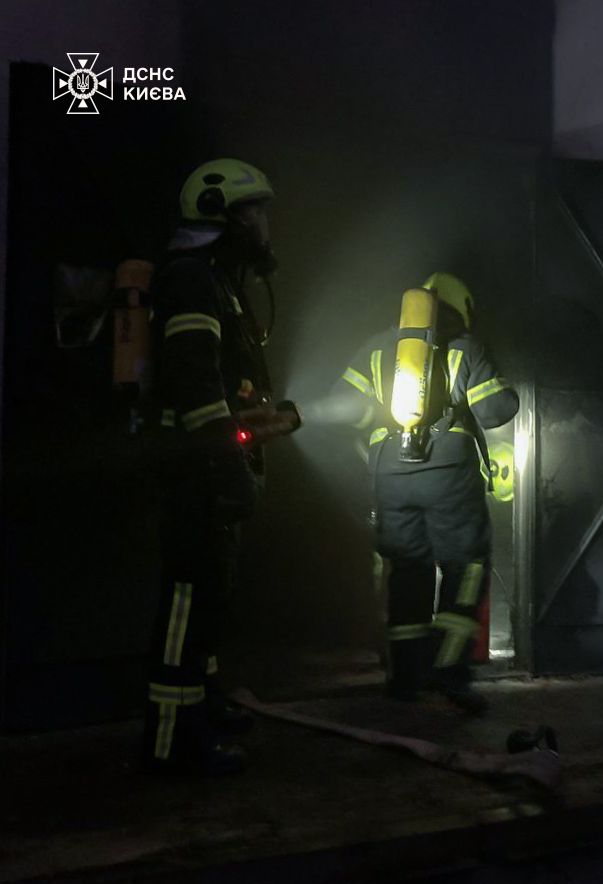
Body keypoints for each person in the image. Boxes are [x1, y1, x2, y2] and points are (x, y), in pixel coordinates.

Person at [143, 158, 300, 775]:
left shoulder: (217, 281)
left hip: (209, 463)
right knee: (187, 599)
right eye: (253, 210)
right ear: (218, 213)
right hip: (193, 469)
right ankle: (171, 741)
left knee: (209, 595)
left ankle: (201, 706)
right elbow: (195, 382)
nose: (263, 224)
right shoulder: (189, 278)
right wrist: (224, 462)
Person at [334, 273, 518, 714]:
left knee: (407, 571)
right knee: (466, 567)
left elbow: (345, 406)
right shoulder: (465, 347)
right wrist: (505, 391)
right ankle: (450, 671)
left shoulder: (378, 347)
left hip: (390, 477)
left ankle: (404, 678)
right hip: (449, 475)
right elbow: (494, 410)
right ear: (462, 307)